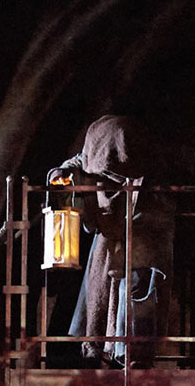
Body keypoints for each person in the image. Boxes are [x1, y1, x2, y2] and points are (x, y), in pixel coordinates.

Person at [48, 116, 171, 368]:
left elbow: (157, 214)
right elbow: (81, 160)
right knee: (101, 294)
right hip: (109, 236)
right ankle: (104, 351)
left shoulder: (147, 164)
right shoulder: (97, 155)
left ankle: (133, 356)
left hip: (141, 239)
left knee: (135, 293)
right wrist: (62, 174)